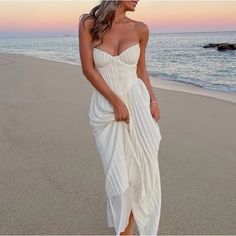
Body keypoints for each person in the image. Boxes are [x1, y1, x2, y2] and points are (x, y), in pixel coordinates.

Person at [78, 0, 162, 235]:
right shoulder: (89, 24)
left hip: (138, 106)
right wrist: (115, 101)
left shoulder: (141, 29)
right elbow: (88, 68)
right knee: (119, 177)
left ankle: (126, 232)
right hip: (106, 111)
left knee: (142, 172)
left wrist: (153, 101)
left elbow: (141, 70)